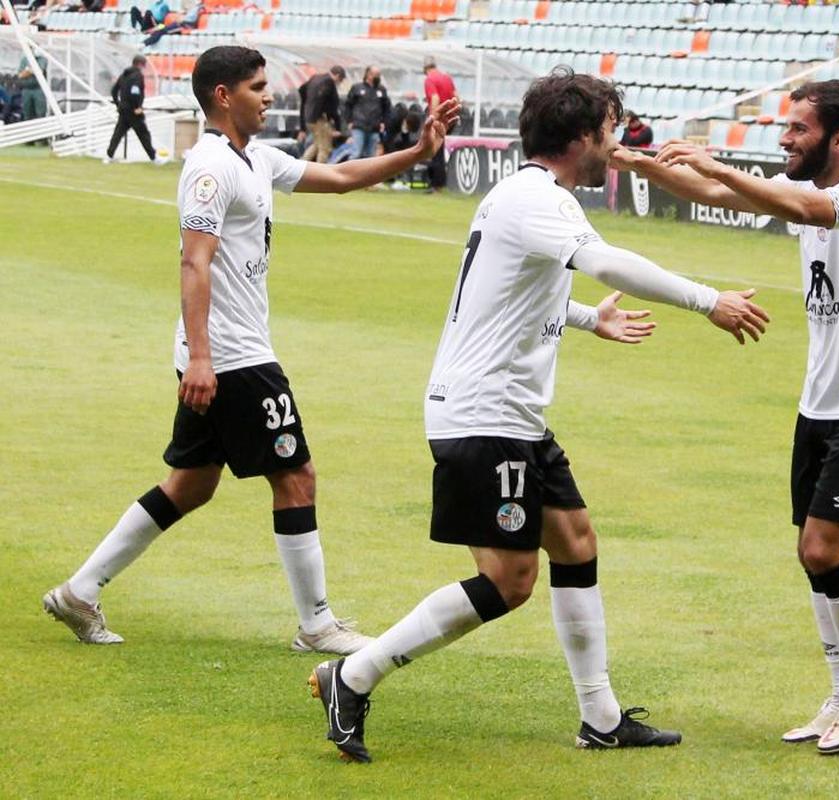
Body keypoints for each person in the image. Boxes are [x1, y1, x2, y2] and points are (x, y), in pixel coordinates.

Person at [306, 67, 770, 764]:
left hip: (512, 417)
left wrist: (587, 321)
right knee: (509, 581)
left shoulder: (530, 196)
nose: (616, 145)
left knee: (575, 542)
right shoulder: (535, 197)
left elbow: (512, 291)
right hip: (482, 418)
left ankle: (602, 717)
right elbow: (606, 262)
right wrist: (709, 300)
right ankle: (354, 673)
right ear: (581, 135)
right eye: (610, 131)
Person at [42, 46, 461, 657]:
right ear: (223, 95)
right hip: (234, 356)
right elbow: (195, 260)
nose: (269, 96)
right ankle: (317, 623)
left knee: (190, 484)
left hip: (224, 351)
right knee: (296, 476)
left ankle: (80, 591)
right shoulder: (210, 169)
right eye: (258, 87)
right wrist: (205, 357)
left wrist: (419, 153)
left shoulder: (255, 158)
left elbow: (341, 178)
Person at [618, 79, 839, 755]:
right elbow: (722, 195)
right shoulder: (810, 194)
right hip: (821, 406)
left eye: (798, 129)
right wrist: (644, 166)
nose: (785, 138)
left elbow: (787, 199)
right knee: (811, 556)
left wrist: (717, 162)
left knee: (822, 550)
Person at [104, 55, 159, 164]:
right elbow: (135, 92)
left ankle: (109, 156)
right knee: (143, 134)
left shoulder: (124, 75)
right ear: (140, 64)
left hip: (123, 109)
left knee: (118, 134)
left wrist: (118, 104)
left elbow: (114, 91)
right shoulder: (137, 76)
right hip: (133, 111)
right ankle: (154, 158)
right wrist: (137, 107)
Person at [422, 56, 458, 192]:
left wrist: (432, 119)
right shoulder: (447, 77)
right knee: (440, 150)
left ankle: (436, 185)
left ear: (425, 68)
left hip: (439, 119)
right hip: (450, 119)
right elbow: (456, 97)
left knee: (435, 151)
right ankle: (440, 184)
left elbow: (435, 98)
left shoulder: (429, 79)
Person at [298, 65, 345, 163]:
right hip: (319, 119)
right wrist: (337, 126)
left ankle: (301, 165)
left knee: (317, 145)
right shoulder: (329, 82)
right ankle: (320, 174)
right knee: (325, 149)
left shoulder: (315, 78)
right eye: (340, 80)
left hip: (309, 118)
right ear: (337, 75)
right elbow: (332, 105)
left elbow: (301, 90)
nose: (339, 83)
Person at [344, 65, 390, 160]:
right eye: (375, 74)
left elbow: (386, 108)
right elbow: (348, 105)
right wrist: (349, 121)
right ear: (368, 75)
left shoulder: (381, 90)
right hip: (359, 125)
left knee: (370, 156)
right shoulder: (357, 88)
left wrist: (383, 122)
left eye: (378, 75)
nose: (377, 77)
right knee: (356, 153)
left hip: (374, 127)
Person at [17, 51, 48, 126]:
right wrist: (31, 70)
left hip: (38, 89)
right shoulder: (24, 60)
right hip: (26, 89)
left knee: (40, 113)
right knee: (27, 112)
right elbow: (20, 75)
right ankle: (27, 131)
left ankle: (41, 133)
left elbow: (39, 71)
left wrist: (28, 70)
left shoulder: (42, 59)